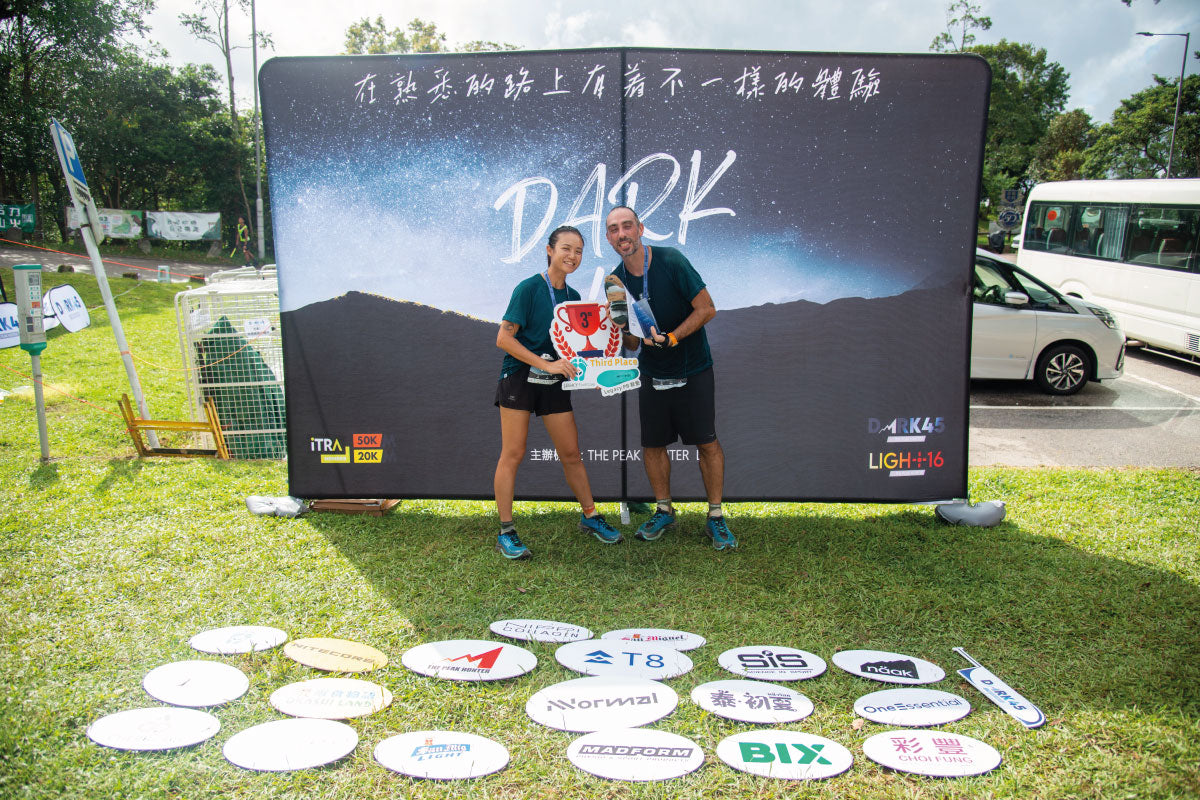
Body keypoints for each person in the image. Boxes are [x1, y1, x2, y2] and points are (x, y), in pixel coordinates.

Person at [605, 205, 736, 551]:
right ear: (608, 238)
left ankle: (716, 516)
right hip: (653, 373)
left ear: (640, 229)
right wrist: (620, 325)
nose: (622, 234)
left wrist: (673, 338)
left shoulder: (670, 260)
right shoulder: (615, 281)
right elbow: (633, 344)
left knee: (707, 443)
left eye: (627, 226)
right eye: (614, 229)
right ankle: (664, 510)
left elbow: (707, 308)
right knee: (653, 445)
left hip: (693, 368)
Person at [493, 224, 623, 560]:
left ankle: (590, 516)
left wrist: (600, 357)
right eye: (566, 248)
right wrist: (545, 364)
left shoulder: (573, 298)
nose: (573, 256)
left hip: (554, 381)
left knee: (571, 453)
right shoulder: (528, 288)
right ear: (550, 250)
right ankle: (506, 531)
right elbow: (503, 339)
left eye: (578, 251)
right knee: (513, 453)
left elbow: (577, 347)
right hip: (520, 376)